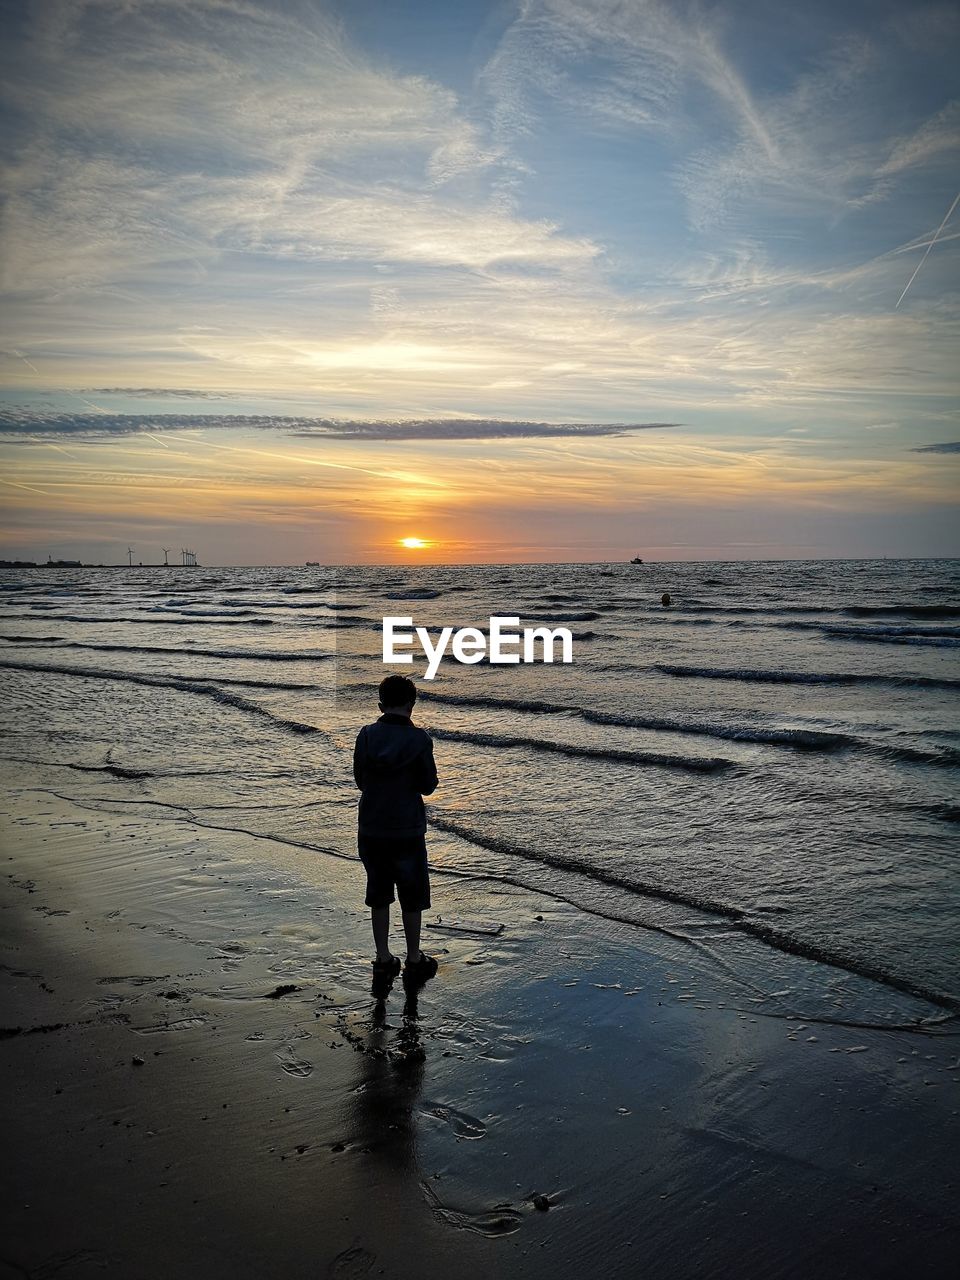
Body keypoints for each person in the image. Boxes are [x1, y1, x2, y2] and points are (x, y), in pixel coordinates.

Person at [353, 674, 439, 982]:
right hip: (407, 828)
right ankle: (414, 958)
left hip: (372, 826)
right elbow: (428, 785)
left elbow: (361, 780)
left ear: (380, 705)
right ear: (412, 705)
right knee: (412, 894)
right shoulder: (420, 740)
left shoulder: (366, 735)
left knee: (378, 892)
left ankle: (383, 957)